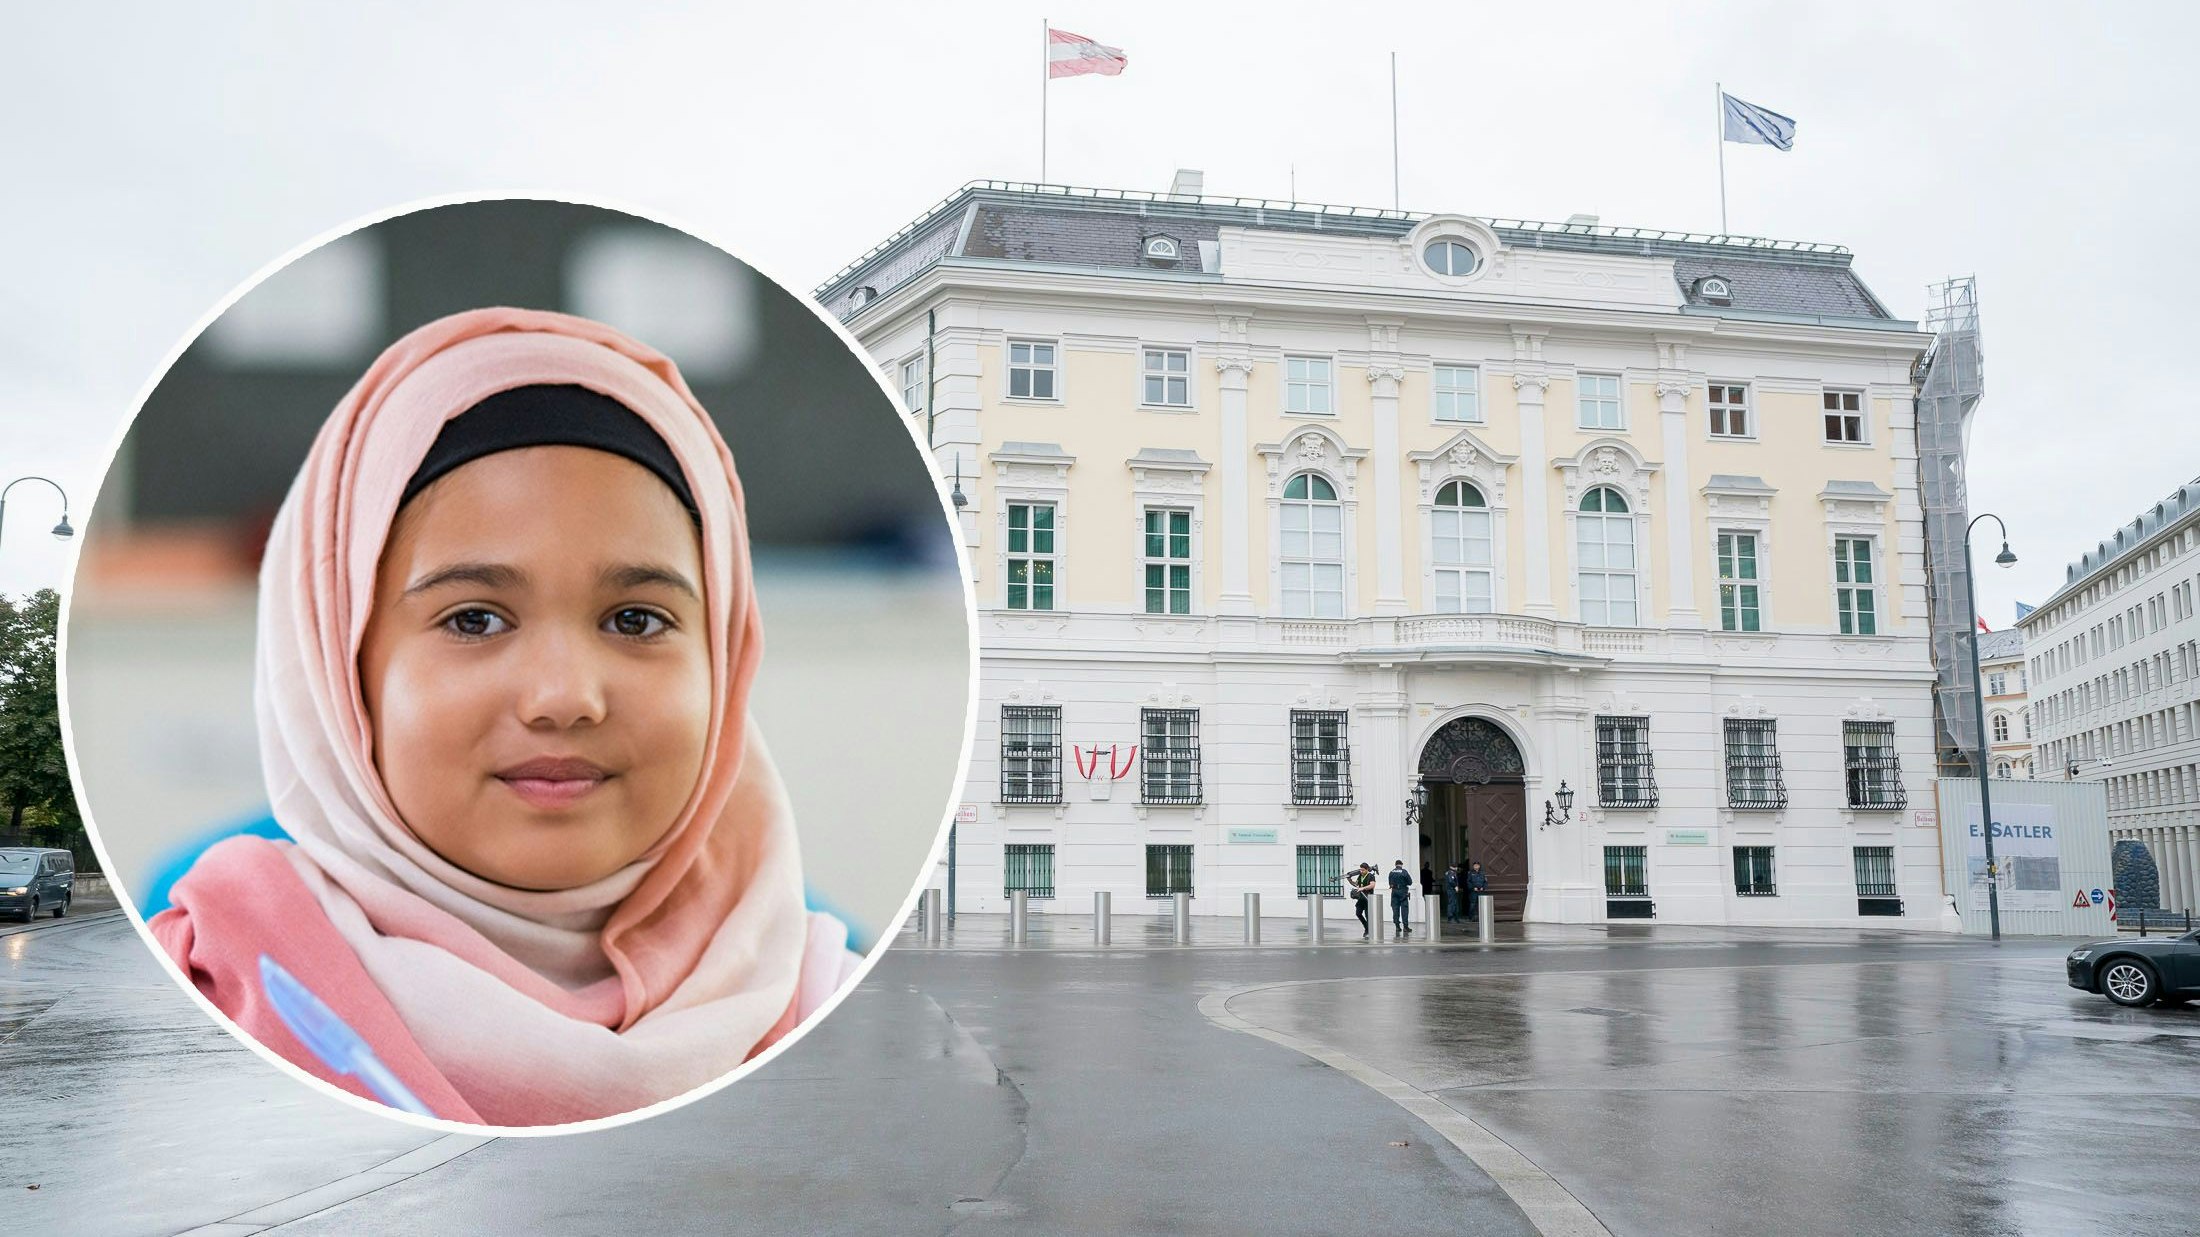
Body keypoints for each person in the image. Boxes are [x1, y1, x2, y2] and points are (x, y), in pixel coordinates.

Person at [149, 308, 861, 1127]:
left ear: (724, 660)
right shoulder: (208, 987)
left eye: (636, 620)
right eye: (473, 619)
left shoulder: (837, 1015)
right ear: (341, 672)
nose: (563, 697)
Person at [1346, 862, 1376, 938]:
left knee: (1367, 915)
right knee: (1358, 913)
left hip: (1368, 898)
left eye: (1363, 870)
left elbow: (1372, 885)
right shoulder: (1360, 876)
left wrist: (1363, 888)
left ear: (1367, 869)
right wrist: (1349, 880)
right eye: (1360, 870)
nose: (1361, 871)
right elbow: (1356, 884)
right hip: (1361, 898)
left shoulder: (1371, 876)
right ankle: (1366, 927)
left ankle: (1369, 931)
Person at [1388, 860, 1413, 937]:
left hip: (1394, 891)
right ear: (1401, 864)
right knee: (1404, 909)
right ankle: (1405, 927)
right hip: (1403, 891)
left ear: (1395, 865)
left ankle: (1397, 927)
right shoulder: (1404, 872)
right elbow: (1410, 882)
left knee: (1395, 909)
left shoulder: (1391, 872)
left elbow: (1390, 882)